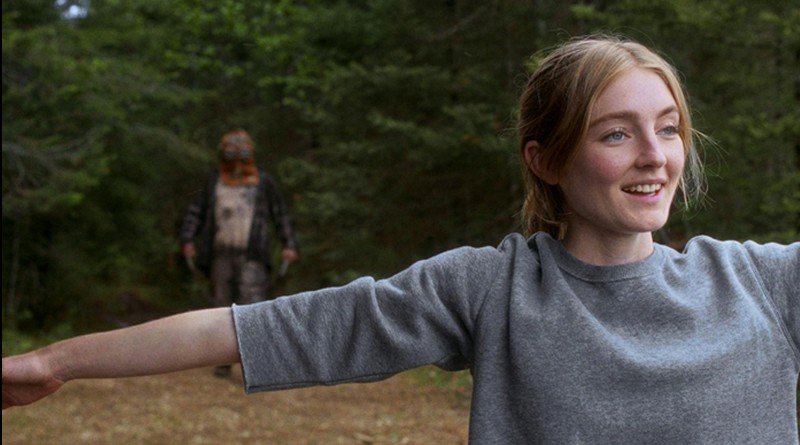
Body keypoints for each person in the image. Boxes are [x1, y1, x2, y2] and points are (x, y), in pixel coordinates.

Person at [3, 35, 798, 443]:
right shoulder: (491, 290)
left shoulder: (761, 282)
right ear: (547, 159)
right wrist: (55, 361)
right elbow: (257, 328)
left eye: (668, 128)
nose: (656, 155)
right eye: (617, 133)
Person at [179, 128, 299, 377]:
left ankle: (255, 365)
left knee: (252, 306)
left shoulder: (262, 182)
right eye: (230, 154)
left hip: (252, 255)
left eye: (241, 154)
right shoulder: (214, 181)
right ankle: (222, 361)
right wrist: (187, 239)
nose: (236, 161)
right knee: (221, 308)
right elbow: (196, 212)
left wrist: (289, 243)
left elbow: (280, 214)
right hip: (220, 253)